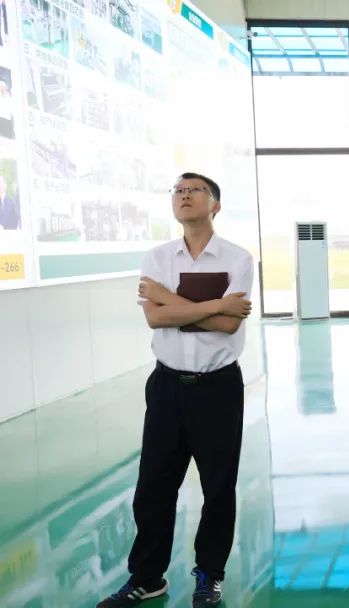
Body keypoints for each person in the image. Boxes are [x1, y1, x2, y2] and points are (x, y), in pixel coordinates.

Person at [98, 173, 254, 608]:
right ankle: (148, 577)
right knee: (154, 486)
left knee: (218, 488)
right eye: (179, 191)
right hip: (166, 386)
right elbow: (155, 318)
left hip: (218, 389)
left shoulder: (238, 258)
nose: (184, 196)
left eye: (195, 190)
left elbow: (229, 325)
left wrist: (170, 299)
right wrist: (216, 304)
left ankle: (209, 575)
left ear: (215, 205)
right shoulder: (157, 257)